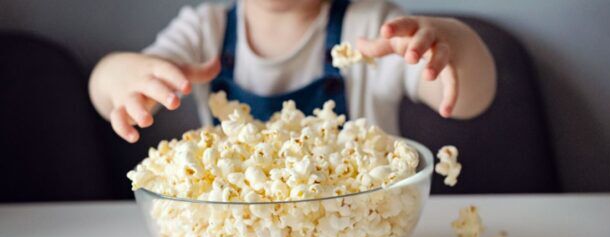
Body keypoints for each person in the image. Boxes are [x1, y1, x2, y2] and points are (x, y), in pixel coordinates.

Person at [89, 0, 496, 143]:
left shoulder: (373, 29)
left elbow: (469, 100)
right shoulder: (203, 31)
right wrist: (123, 76)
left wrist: (451, 42)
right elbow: (104, 88)